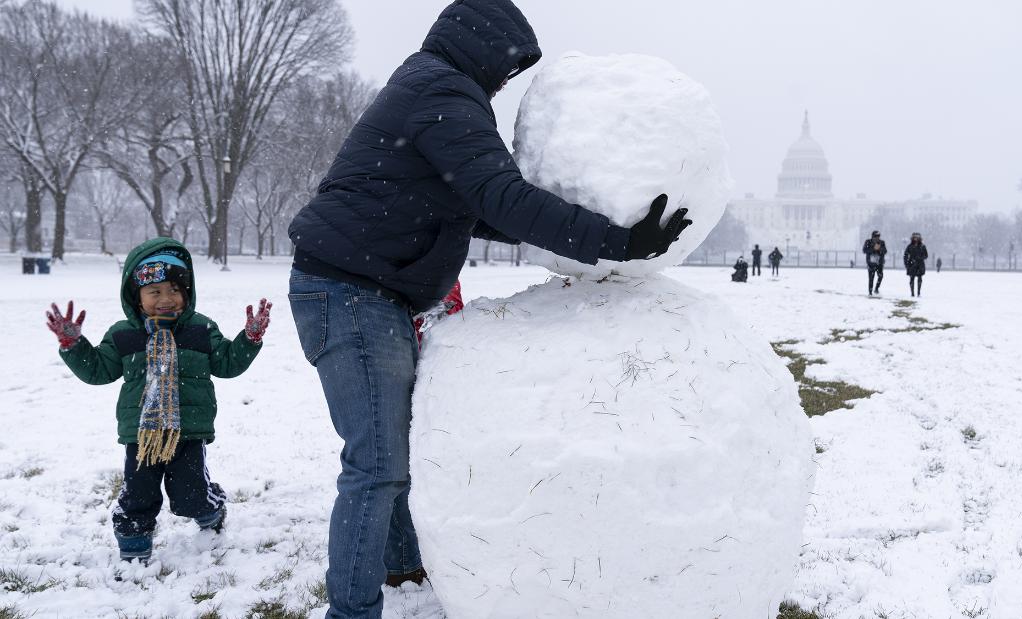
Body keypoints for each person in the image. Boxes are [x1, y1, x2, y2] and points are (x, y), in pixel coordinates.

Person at [285, 1, 693, 616]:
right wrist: (613, 239)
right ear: (486, 45)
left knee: (396, 449)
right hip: (349, 293)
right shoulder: (443, 91)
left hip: (363, 289)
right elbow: (499, 198)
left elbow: (476, 209)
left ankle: (402, 568)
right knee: (375, 465)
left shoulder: (432, 86)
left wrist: (572, 237)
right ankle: (352, 611)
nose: (507, 81)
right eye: (508, 67)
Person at [44, 237, 271, 563]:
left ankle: (210, 510)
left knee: (190, 494)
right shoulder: (123, 334)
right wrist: (73, 346)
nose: (166, 299)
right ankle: (134, 551)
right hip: (142, 433)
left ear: (187, 293)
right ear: (136, 297)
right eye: (155, 292)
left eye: (175, 290)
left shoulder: (201, 329)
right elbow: (98, 371)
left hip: (188, 431)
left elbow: (227, 364)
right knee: (139, 494)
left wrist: (248, 340)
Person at [862, 230, 887, 295]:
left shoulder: (882, 242)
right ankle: (870, 292)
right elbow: (864, 250)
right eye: (875, 236)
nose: (877, 238)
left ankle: (876, 288)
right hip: (871, 263)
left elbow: (885, 251)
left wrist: (879, 249)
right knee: (871, 278)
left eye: (878, 236)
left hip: (879, 263)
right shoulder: (868, 242)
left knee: (880, 276)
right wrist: (873, 249)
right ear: (872, 236)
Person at [904, 232, 929, 296]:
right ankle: (912, 293)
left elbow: (926, 255)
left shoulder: (922, 246)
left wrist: (920, 258)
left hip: (920, 265)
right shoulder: (910, 246)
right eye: (915, 237)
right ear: (912, 238)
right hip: (912, 264)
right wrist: (906, 264)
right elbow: (905, 255)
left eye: (917, 238)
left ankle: (918, 292)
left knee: (920, 278)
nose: (916, 239)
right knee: (912, 278)